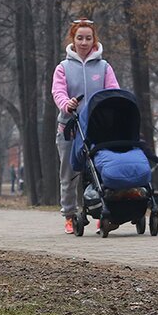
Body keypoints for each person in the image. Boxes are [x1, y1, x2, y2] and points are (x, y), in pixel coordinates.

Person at [51, 17, 119, 234]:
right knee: (69, 173)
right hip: (70, 127)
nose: (83, 42)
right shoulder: (63, 67)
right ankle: (69, 215)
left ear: (94, 40)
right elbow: (58, 92)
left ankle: (103, 211)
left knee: (101, 171)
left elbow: (112, 91)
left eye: (88, 38)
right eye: (79, 38)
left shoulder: (104, 67)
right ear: (73, 39)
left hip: (97, 128)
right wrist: (66, 104)